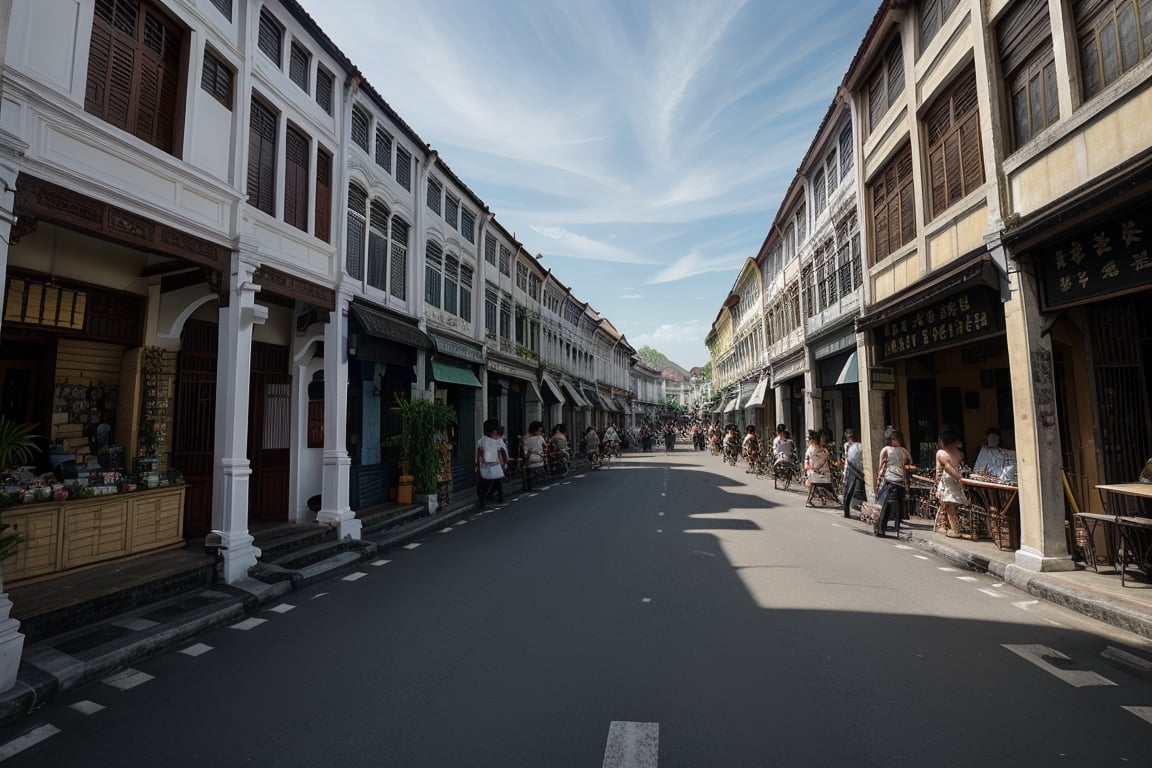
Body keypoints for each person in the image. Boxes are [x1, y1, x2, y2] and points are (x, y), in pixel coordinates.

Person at [874, 429, 911, 537]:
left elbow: (882, 466)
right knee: (897, 504)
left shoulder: (887, 450)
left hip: (890, 480)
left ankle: (882, 528)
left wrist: (878, 480)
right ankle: (895, 526)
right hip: (897, 480)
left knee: (886, 504)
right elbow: (908, 464)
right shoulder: (903, 451)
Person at [935, 426, 968, 538]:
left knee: (949, 506)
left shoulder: (941, 453)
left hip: (949, 480)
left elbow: (947, 468)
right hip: (953, 480)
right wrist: (961, 479)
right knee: (949, 505)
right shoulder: (958, 453)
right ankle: (945, 526)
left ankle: (954, 529)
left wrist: (960, 479)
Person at [475, 419, 507, 508]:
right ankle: (500, 497)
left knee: (481, 485)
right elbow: (503, 452)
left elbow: (479, 454)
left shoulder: (481, 441)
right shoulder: (499, 441)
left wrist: (478, 465)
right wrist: (505, 462)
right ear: (494, 431)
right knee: (498, 482)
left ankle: (482, 501)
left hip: (484, 467)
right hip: (496, 467)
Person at [804, 429, 834, 507]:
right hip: (813, 471)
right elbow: (811, 463)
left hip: (820, 471)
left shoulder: (822, 449)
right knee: (815, 481)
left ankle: (830, 498)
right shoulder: (812, 449)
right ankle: (810, 500)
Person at [841, 429, 864, 519]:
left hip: (857, 469)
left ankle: (862, 512)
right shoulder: (846, 445)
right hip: (850, 468)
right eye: (848, 435)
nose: (849, 437)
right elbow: (846, 457)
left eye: (851, 435)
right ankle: (846, 511)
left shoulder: (859, 446)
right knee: (848, 490)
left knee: (856, 490)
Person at [521, 421, 546, 491]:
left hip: (530, 460)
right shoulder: (540, 438)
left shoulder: (526, 439)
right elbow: (544, 446)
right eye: (539, 431)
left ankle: (527, 485)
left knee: (524, 467)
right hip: (540, 459)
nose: (540, 433)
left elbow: (525, 453)